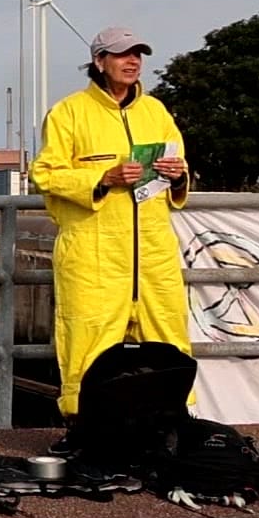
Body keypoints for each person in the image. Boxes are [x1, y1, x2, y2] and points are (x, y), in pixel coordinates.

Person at [31, 26, 193, 420]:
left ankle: (172, 421)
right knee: (88, 340)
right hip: (93, 254)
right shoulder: (69, 113)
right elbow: (45, 173)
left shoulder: (156, 112)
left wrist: (178, 175)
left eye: (138, 54)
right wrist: (102, 178)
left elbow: (182, 168)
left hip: (153, 252)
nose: (133, 61)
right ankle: (81, 423)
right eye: (122, 54)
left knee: (167, 336)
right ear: (100, 62)